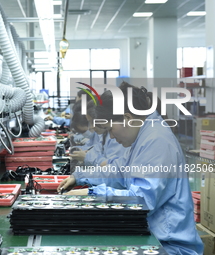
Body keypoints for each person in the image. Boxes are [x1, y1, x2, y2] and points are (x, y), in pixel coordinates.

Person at [58, 82, 203, 255]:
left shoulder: (157, 140)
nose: (111, 136)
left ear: (126, 118)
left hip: (168, 246)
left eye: (110, 129)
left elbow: (142, 199)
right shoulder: (144, 135)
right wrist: (80, 176)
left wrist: (92, 194)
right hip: (152, 235)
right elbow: (119, 170)